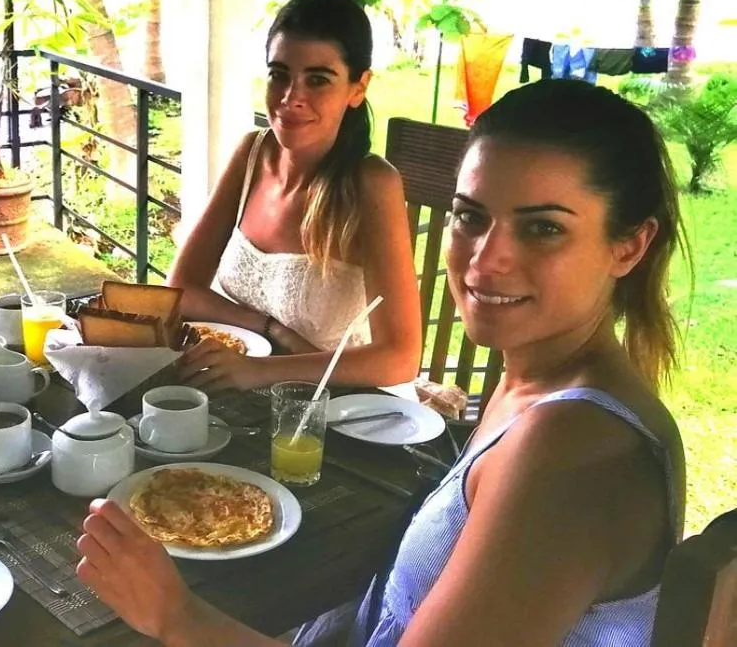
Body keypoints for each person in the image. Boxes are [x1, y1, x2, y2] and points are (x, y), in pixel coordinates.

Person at [77, 79, 688, 646]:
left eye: (544, 229)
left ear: (628, 246)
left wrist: (176, 615)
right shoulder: (539, 386)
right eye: (470, 216)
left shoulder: (572, 452)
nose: (484, 261)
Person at [168, 0, 421, 392]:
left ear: (358, 88)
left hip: (346, 407)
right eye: (279, 74)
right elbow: (180, 290)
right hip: (247, 395)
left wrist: (260, 370)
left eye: (318, 80)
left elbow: (400, 358)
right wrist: (271, 330)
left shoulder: (370, 185)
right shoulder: (252, 154)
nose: (291, 97)